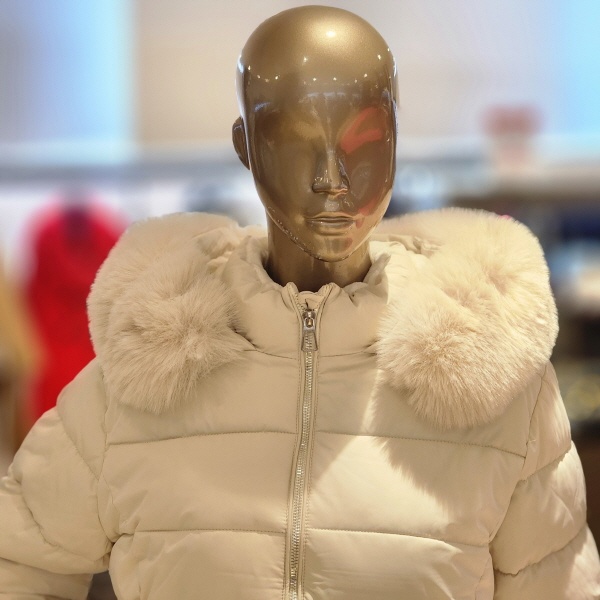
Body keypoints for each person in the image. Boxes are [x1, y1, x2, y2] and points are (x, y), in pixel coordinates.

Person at [0, 6, 599, 599]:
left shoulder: (495, 384)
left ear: (397, 140)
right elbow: (17, 565)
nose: (332, 178)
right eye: (293, 140)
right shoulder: (141, 379)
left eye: (365, 139)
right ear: (245, 146)